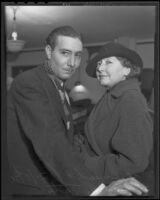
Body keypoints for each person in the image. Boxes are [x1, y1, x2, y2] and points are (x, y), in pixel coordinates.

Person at [7, 26, 148, 197]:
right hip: (35, 186)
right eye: (65, 53)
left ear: (127, 69)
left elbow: (134, 159)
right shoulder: (30, 82)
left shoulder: (129, 98)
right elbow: (51, 142)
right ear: (49, 52)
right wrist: (96, 190)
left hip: (67, 180)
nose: (72, 63)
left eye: (78, 55)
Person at [75, 42, 154, 195]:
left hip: (100, 179)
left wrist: (84, 162)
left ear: (127, 70)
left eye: (108, 62)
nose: (99, 67)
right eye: (99, 63)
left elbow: (134, 163)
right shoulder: (111, 95)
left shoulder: (131, 100)